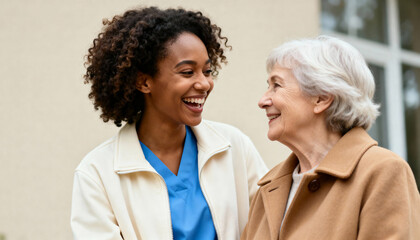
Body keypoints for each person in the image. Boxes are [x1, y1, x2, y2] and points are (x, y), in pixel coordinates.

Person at [71, 7, 267, 240]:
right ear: (143, 82)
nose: (204, 84)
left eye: (207, 71)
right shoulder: (96, 173)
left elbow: (272, 223)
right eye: (187, 72)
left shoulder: (234, 147)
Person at [241, 36, 420, 240]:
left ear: (322, 98)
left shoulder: (382, 172)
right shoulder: (268, 189)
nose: (263, 101)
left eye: (277, 86)